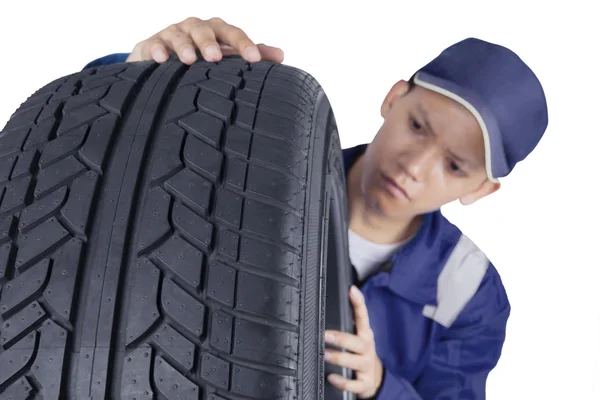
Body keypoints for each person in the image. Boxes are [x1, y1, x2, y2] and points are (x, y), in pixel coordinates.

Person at [84, 17, 548, 399]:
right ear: (393, 98)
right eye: (418, 126)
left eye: (453, 165)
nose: (415, 166)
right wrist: (144, 74)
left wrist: (380, 385)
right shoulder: (255, 164)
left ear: (480, 190)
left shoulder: (471, 295)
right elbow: (113, 181)